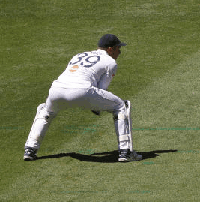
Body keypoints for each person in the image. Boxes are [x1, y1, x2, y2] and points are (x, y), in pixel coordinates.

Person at [24, 34, 141, 162]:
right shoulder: (110, 62)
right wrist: (96, 107)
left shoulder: (78, 55)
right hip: (82, 91)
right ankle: (125, 152)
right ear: (110, 49)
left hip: (56, 90)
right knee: (121, 106)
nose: (120, 52)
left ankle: (30, 149)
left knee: (45, 111)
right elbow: (101, 90)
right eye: (118, 48)